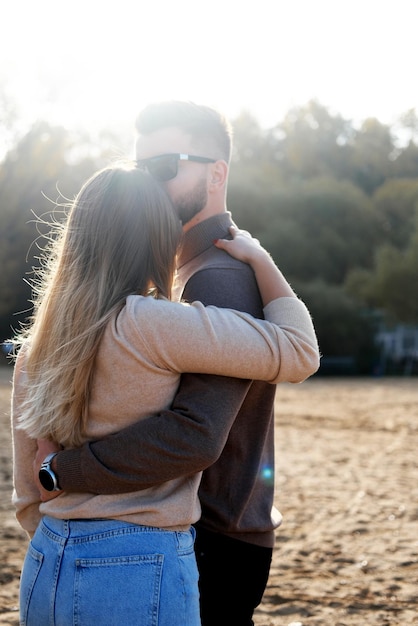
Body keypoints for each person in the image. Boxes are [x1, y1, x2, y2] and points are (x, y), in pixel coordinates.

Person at [34, 102, 320, 625]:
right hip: (172, 530)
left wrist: (59, 472)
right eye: (141, 167)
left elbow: (195, 433)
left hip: (210, 534)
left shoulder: (218, 278)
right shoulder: (167, 280)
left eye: (165, 167)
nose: (147, 182)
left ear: (217, 173)